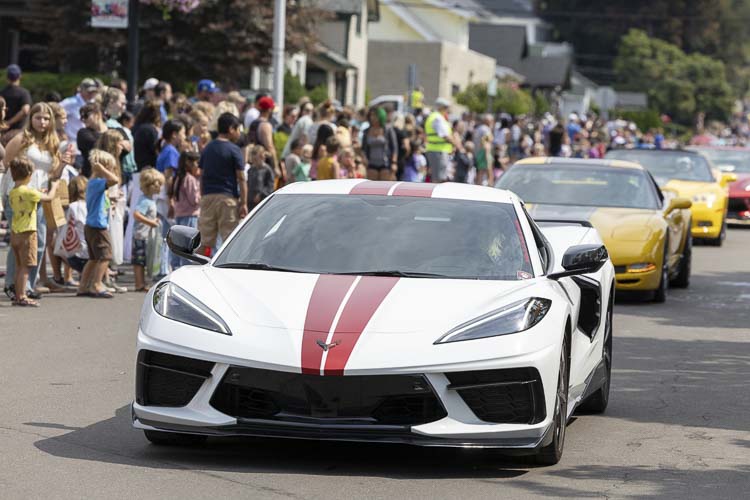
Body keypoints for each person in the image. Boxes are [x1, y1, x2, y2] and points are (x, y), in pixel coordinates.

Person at [4, 102, 65, 298]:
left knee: (38, 241)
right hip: (19, 196)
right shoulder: (22, 138)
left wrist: (63, 164)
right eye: (38, 117)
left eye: (46, 118)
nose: (42, 122)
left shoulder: (52, 141)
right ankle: (14, 285)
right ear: (31, 118)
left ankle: (27, 285)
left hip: (39, 196)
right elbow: (6, 164)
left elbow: (53, 172)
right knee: (21, 241)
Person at [7, 157, 60, 306]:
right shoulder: (30, 192)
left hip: (15, 233)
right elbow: (48, 198)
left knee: (19, 266)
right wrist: (54, 186)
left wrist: (38, 192)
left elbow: (30, 196)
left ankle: (18, 295)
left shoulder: (13, 192)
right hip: (27, 233)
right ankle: (23, 296)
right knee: (26, 266)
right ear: (29, 174)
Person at [197, 112, 247, 255]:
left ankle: (200, 268)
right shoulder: (234, 149)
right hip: (228, 198)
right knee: (229, 240)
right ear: (231, 128)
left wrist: (203, 196)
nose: (239, 133)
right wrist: (243, 202)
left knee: (205, 240)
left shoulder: (208, 148)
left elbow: (202, 174)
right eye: (238, 129)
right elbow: (241, 178)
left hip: (208, 196)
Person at [78, 149, 120, 298]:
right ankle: (97, 284)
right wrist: (102, 169)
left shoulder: (94, 183)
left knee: (94, 258)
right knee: (105, 256)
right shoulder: (97, 182)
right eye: (109, 167)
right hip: (98, 226)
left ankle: (83, 285)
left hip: (91, 224)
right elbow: (115, 180)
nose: (111, 171)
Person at [132, 168, 164, 291]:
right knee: (139, 260)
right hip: (141, 234)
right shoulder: (145, 201)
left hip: (145, 234)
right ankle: (139, 283)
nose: (160, 187)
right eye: (158, 184)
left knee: (143, 259)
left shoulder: (149, 200)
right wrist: (151, 222)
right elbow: (137, 214)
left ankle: (141, 282)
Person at [170, 151, 200, 269]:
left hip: (180, 214)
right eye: (196, 162)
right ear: (189, 163)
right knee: (188, 245)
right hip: (190, 214)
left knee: (178, 244)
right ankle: (187, 268)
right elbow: (194, 200)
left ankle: (176, 267)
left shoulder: (178, 177)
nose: (197, 165)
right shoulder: (190, 179)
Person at [102, 87, 136, 185]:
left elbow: (127, 146)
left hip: (123, 171)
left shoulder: (115, 123)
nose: (124, 108)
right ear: (111, 102)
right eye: (122, 103)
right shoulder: (107, 123)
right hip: (115, 171)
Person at [248, 96, 284, 184]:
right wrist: (275, 167)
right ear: (269, 110)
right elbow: (270, 146)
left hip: (254, 162)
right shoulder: (265, 125)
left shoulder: (253, 123)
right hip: (264, 164)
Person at [424, 98, 461, 183]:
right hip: (438, 152)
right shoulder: (437, 118)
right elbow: (445, 136)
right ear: (441, 107)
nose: (447, 110)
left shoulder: (436, 117)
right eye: (446, 107)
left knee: (439, 178)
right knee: (439, 179)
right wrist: (457, 145)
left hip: (437, 151)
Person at [362, 107, 398, 180]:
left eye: (375, 115)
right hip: (371, 163)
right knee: (372, 188)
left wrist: (394, 163)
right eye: (371, 115)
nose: (372, 117)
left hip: (386, 164)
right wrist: (364, 158)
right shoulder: (366, 131)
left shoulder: (388, 130)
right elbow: (363, 148)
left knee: (384, 187)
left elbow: (394, 147)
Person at [60, 78, 100, 142]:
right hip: (72, 142)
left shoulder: (93, 103)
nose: (91, 94)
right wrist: (61, 132)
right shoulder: (69, 103)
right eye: (89, 92)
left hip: (88, 141)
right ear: (81, 90)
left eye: (93, 92)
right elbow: (54, 114)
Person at [0, 64, 31, 141]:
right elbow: (25, 110)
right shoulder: (24, 93)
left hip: (3, 132)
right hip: (18, 132)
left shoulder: (2, 93)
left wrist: (5, 123)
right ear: (20, 76)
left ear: (7, 77)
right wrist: (9, 122)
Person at [77, 102, 108, 177]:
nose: (83, 119)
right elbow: (94, 144)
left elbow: (127, 148)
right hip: (91, 175)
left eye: (86, 115)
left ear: (97, 114)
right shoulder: (83, 133)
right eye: (81, 117)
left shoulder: (115, 129)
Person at [132, 101, 162, 172]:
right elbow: (156, 149)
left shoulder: (136, 127)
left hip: (138, 166)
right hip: (148, 168)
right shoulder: (150, 130)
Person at [246, 145, 275, 211]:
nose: (254, 162)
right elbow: (248, 184)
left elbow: (270, 186)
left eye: (256, 160)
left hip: (262, 202)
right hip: (250, 201)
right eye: (253, 160)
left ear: (262, 157)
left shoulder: (267, 170)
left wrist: (261, 194)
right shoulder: (251, 170)